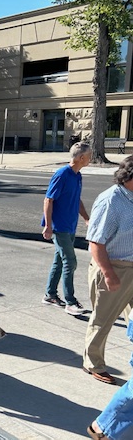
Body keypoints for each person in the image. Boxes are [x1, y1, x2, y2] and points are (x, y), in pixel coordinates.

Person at [83, 155, 133, 385]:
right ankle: (93, 363)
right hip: (114, 268)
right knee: (102, 320)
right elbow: (96, 242)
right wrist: (109, 274)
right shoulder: (111, 200)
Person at [41, 141, 91, 316]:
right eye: (89, 156)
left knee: (60, 261)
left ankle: (50, 295)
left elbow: (76, 200)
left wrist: (86, 218)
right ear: (81, 157)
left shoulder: (77, 176)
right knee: (70, 261)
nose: (90, 159)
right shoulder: (62, 174)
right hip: (59, 226)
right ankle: (70, 302)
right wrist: (48, 226)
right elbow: (48, 200)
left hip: (70, 226)